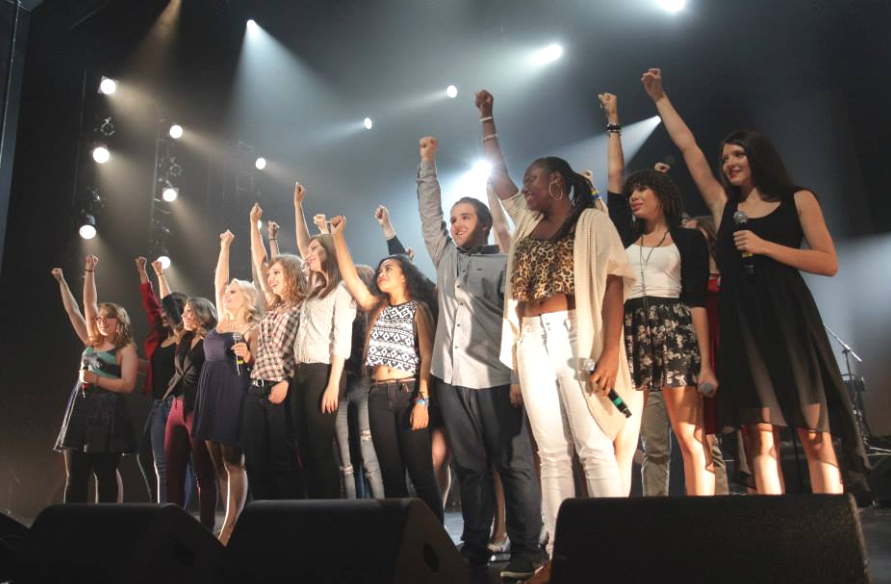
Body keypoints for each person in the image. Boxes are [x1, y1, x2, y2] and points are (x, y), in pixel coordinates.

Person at [641, 67, 869, 493]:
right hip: (742, 324)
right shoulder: (723, 205)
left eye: (737, 155)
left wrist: (765, 247)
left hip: (789, 321)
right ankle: (774, 523)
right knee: (760, 436)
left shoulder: (798, 199)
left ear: (758, 157)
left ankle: (830, 522)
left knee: (814, 432)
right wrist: (660, 99)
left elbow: (828, 262)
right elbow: (689, 148)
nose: (729, 164)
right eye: (725, 159)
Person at [474, 90, 634, 583]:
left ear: (557, 184)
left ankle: (615, 547)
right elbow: (499, 178)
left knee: (592, 443)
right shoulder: (527, 222)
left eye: (533, 181)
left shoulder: (591, 221)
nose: (525, 188)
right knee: (550, 450)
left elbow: (614, 284)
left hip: (575, 336)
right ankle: (562, 552)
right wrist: (487, 118)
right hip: (530, 340)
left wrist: (611, 352)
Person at [416, 135, 542, 580]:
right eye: (453, 219)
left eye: (465, 217)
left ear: (485, 224)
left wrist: (517, 378)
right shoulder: (445, 257)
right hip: (452, 381)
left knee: (513, 465)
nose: (455, 225)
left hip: (495, 379)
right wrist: (427, 163)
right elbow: (428, 215)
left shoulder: (505, 263)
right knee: (469, 469)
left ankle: (527, 548)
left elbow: (518, 325)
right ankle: (474, 547)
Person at [600, 91, 717, 496]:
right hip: (631, 331)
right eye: (633, 192)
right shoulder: (625, 234)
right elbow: (615, 177)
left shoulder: (688, 239)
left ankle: (703, 516)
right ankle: (639, 512)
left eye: (643, 191)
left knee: (689, 435)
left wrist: (706, 364)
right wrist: (613, 121)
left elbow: (697, 301)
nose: (634, 196)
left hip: (675, 333)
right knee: (632, 436)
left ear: (662, 196)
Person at [329, 215, 444, 522]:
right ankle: (401, 537)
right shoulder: (377, 308)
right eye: (379, 270)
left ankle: (435, 538)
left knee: (420, 473)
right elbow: (352, 278)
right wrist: (337, 236)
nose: (381, 274)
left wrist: (423, 400)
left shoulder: (418, 308)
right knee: (391, 475)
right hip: (378, 396)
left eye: (388, 269)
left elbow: (428, 357)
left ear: (405, 276)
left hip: (409, 393)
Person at [372, 204, 452, 505]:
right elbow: (401, 264)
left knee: (433, 461)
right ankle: (417, 522)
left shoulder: (428, 302)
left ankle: (435, 520)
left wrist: (423, 398)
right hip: (422, 382)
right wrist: (387, 228)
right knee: (422, 463)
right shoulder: (424, 295)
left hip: (440, 384)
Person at [52, 257, 138, 503]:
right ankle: (72, 521)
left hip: (107, 413)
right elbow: (79, 308)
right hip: (81, 409)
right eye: (100, 318)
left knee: (105, 475)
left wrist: (96, 379)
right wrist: (74, 277)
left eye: (107, 317)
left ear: (119, 322)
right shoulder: (92, 341)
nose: (101, 321)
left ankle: (105, 522)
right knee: (75, 476)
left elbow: (127, 385)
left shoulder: (126, 350)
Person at [293, 184, 357, 499]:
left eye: (317, 249)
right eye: (309, 250)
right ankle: (312, 509)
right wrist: (297, 206)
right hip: (301, 372)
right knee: (304, 449)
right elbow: (302, 243)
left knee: (320, 450)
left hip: (324, 372)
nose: (309, 253)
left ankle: (330, 511)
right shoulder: (311, 289)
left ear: (329, 254)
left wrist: (333, 385)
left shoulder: (341, 290)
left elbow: (342, 340)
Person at [242, 207, 306, 503]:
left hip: (281, 387)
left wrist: (287, 381)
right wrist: (253, 224)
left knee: (283, 459)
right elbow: (260, 264)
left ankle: (288, 518)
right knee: (255, 460)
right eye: (270, 275)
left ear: (292, 274)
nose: (270, 278)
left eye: (277, 273)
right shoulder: (273, 305)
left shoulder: (303, 307)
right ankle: (262, 518)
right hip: (256, 389)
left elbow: (304, 352)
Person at [152, 260, 219, 531]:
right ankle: (173, 526)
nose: (185, 314)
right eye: (185, 310)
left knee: (204, 472)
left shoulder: (212, 340)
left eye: (190, 310)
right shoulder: (182, 335)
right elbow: (169, 305)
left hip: (198, 410)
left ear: (202, 314)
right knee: (173, 470)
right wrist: (159, 274)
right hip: (176, 409)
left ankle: (206, 527)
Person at [133, 256, 187, 503]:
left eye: (170, 311)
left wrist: (159, 275)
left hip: (177, 404)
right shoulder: (158, 338)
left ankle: (175, 509)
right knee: (152, 460)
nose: (164, 315)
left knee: (177, 463)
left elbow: (164, 306)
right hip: (157, 405)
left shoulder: (184, 338)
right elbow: (150, 305)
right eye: (164, 312)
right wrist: (142, 273)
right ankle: (160, 507)